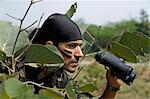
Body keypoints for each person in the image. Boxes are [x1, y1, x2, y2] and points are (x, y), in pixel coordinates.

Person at [25, 13, 123, 98]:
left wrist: (112, 86)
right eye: (72, 46)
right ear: (49, 47)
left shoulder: (59, 78)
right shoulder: (18, 73)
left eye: (79, 46)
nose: (79, 54)